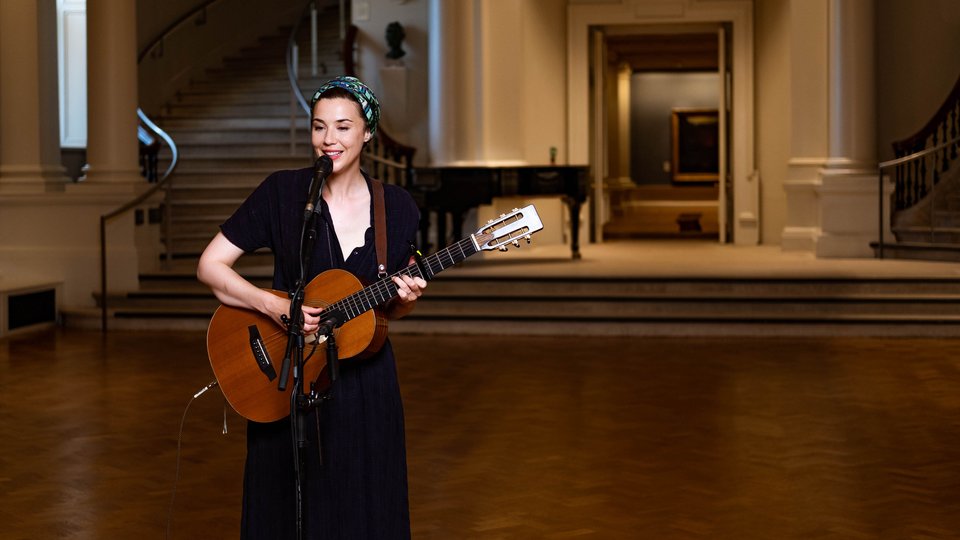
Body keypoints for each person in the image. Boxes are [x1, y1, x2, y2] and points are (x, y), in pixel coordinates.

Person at [197, 75, 425, 539]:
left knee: (366, 502)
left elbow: (388, 309)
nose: (329, 140)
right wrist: (272, 306)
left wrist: (406, 300)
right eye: (319, 127)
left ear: (367, 132)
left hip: (366, 386)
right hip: (289, 378)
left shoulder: (395, 206)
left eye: (343, 127)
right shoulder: (282, 194)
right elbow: (210, 265)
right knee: (284, 507)